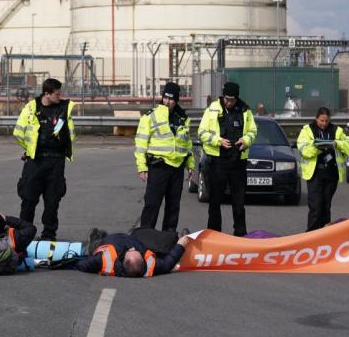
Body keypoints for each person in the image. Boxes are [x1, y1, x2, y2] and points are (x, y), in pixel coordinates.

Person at [13, 78, 76, 241]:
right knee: (29, 199)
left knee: (52, 201)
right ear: (47, 94)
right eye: (57, 93)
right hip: (36, 161)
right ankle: (24, 234)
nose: (60, 96)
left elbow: (70, 132)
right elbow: (18, 131)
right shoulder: (32, 108)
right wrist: (28, 149)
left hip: (56, 161)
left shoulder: (63, 108)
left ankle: (49, 235)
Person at [198, 81, 257, 236]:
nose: (228, 102)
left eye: (231, 100)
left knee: (238, 202)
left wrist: (246, 140)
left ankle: (240, 234)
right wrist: (218, 141)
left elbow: (253, 131)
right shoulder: (212, 109)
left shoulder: (245, 110)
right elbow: (202, 132)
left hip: (238, 161)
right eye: (226, 99)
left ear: (237, 98)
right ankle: (214, 234)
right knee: (215, 201)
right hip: (218, 161)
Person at [135, 81, 194, 232]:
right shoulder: (151, 116)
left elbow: (187, 144)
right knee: (152, 205)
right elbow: (141, 143)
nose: (167, 102)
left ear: (176, 100)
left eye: (171, 99)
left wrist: (190, 164)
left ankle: (168, 242)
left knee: (173, 208)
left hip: (177, 169)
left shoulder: (183, 118)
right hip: (158, 167)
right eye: (165, 98)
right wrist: (142, 167)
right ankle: (145, 239)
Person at [296, 107, 349, 231]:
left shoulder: (337, 130)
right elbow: (304, 150)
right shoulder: (307, 130)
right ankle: (311, 235)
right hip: (315, 173)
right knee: (315, 206)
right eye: (321, 120)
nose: (324, 124)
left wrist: (337, 144)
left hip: (331, 173)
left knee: (326, 206)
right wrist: (318, 147)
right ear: (316, 118)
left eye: (326, 121)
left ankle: (325, 235)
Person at [74, 231, 189, 277]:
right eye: (136, 251)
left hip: (105, 242)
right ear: (143, 262)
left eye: (132, 251)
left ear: (124, 259)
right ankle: (176, 235)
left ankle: (94, 238)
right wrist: (181, 245)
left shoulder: (103, 260)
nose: (133, 248)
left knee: (96, 238)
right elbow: (168, 263)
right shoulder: (150, 263)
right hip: (134, 236)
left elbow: (82, 264)